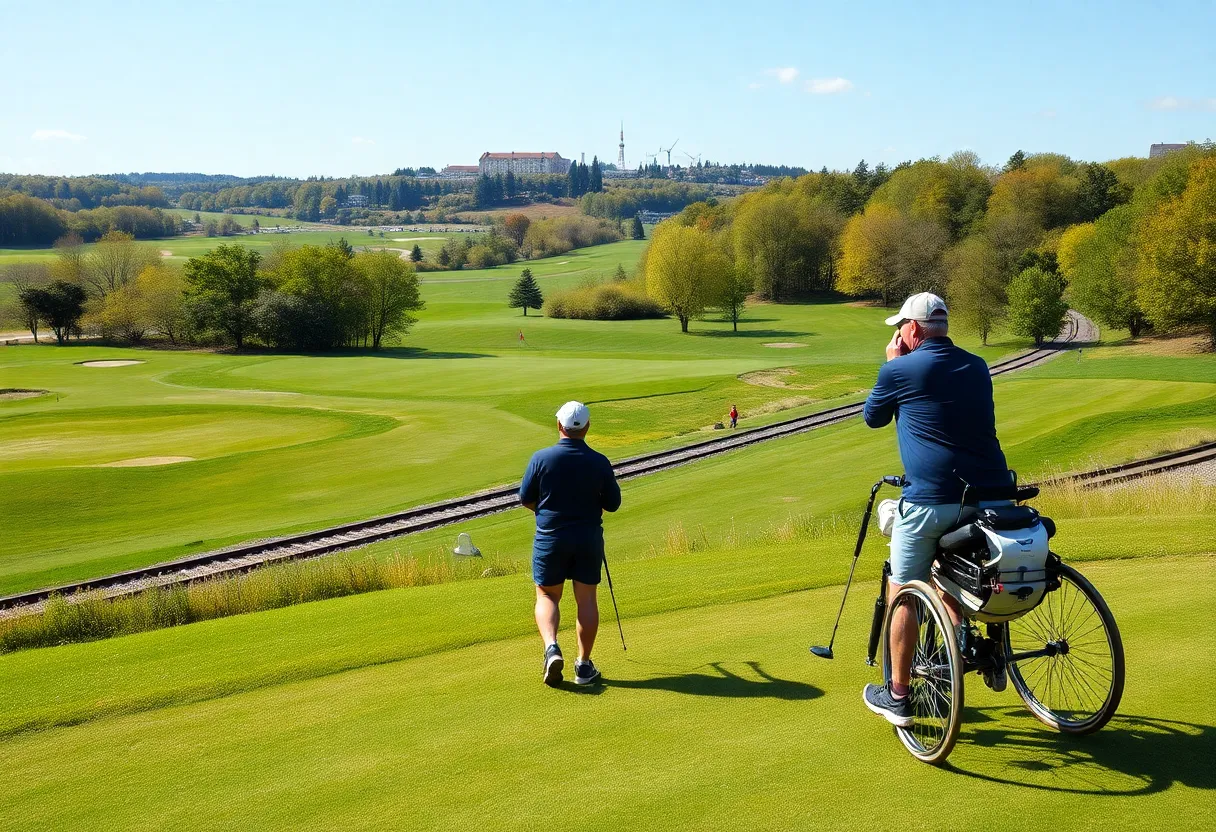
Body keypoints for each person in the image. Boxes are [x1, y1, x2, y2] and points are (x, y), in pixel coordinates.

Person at [859, 292, 1014, 726]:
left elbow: (872, 417)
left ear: (911, 329)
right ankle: (979, 648)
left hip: (932, 501)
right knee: (958, 573)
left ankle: (899, 696)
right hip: (992, 498)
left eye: (899, 329)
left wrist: (891, 363)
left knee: (902, 587)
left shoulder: (901, 368)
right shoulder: (978, 366)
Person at [520, 401, 622, 687]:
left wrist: (545, 513)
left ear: (558, 425)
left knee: (547, 596)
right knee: (586, 600)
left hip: (550, 538)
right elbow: (612, 504)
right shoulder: (599, 461)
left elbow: (525, 498)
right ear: (587, 428)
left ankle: (552, 648)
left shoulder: (541, 458)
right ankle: (584, 666)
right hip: (588, 538)